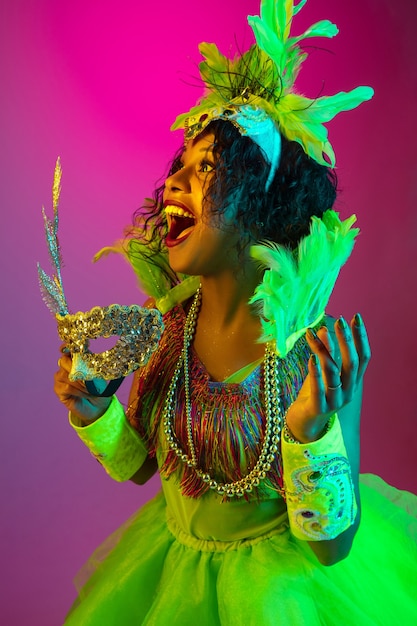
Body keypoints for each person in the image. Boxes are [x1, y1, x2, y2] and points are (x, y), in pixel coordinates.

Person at [51, 1, 417, 624]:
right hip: (174, 576)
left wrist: (308, 429)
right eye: (178, 169)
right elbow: (141, 467)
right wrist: (94, 413)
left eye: (206, 172)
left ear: (261, 209)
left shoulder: (311, 351)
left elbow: (332, 547)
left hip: (279, 598)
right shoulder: (168, 327)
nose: (172, 186)